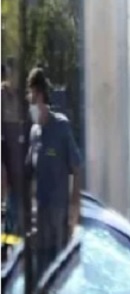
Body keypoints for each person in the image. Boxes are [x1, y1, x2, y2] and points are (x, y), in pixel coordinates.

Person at [26, 67, 83, 271]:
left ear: (40, 97)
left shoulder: (61, 126)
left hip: (59, 213)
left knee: (59, 268)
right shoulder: (34, 132)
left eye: (31, 97)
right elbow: (30, 173)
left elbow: (77, 168)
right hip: (40, 213)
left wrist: (74, 207)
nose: (29, 103)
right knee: (40, 267)